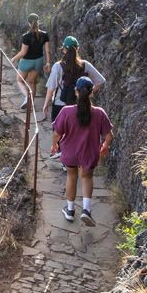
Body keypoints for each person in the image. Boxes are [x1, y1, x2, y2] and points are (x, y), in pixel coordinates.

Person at [50, 78, 113, 225]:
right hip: (89, 153)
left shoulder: (66, 111)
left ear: (76, 92)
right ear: (92, 93)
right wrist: (105, 146)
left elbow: (57, 133)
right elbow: (109, 135)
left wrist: (54, 145)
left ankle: (70, 210)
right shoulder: (99, 113)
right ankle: (86, 210)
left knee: (72, 177)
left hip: (70, 153)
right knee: (87, 177)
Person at [43, 36, 106, 126]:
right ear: (78, 49)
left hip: (60, 105)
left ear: (64, 49)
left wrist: (46, 104)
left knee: (58, 134)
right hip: (80, 105)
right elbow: (100, 81)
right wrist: (86, 94)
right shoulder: (85, 65)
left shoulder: (58, 66)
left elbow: (51, 88)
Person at [13, 13, 52, 112]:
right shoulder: (44, 35)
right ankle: (31, 103)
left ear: (29, 23)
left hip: (27, 61)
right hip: (38, 61)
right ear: (38, 22)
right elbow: (47, 51)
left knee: (20, 80)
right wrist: (48, 63)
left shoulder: (26, 36)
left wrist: (13, 58)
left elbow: (23, 53)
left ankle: (27, 97)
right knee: (32, 81)